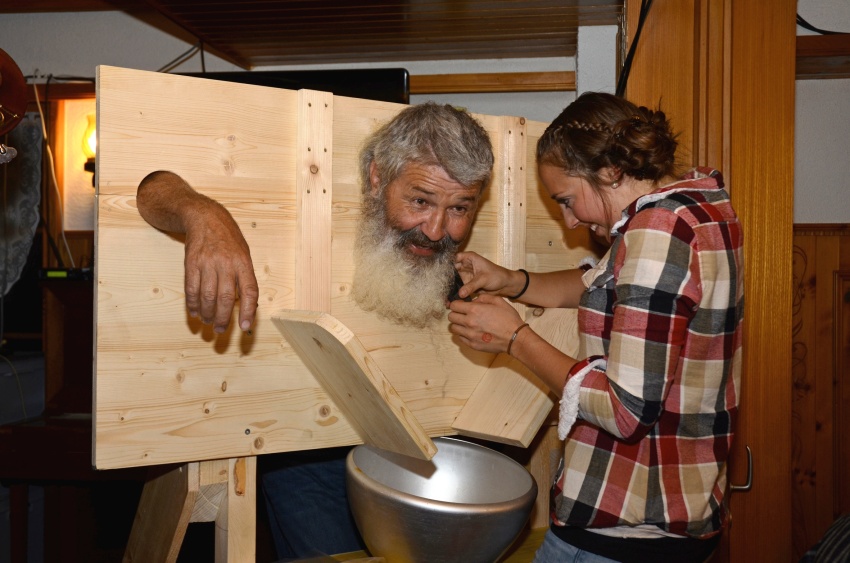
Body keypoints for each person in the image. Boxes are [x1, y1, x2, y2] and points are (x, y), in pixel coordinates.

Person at [136, 101, 494, 559]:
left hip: (425, 444)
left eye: (460, 207)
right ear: (376, 178)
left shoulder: (466, 267)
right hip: (306, 446)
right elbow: (148, 187)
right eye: (420, 201)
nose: (437, 229)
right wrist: (202, 213)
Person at [447, 92, 744, 563]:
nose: (569, 220)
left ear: (609, 171)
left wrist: (515, 339)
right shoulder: (696, 208)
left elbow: (623, 408)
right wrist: (511, 281)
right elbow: (604, 283)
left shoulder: (658, 229)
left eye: (567, 200)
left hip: (626, 526)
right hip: (667, 517)